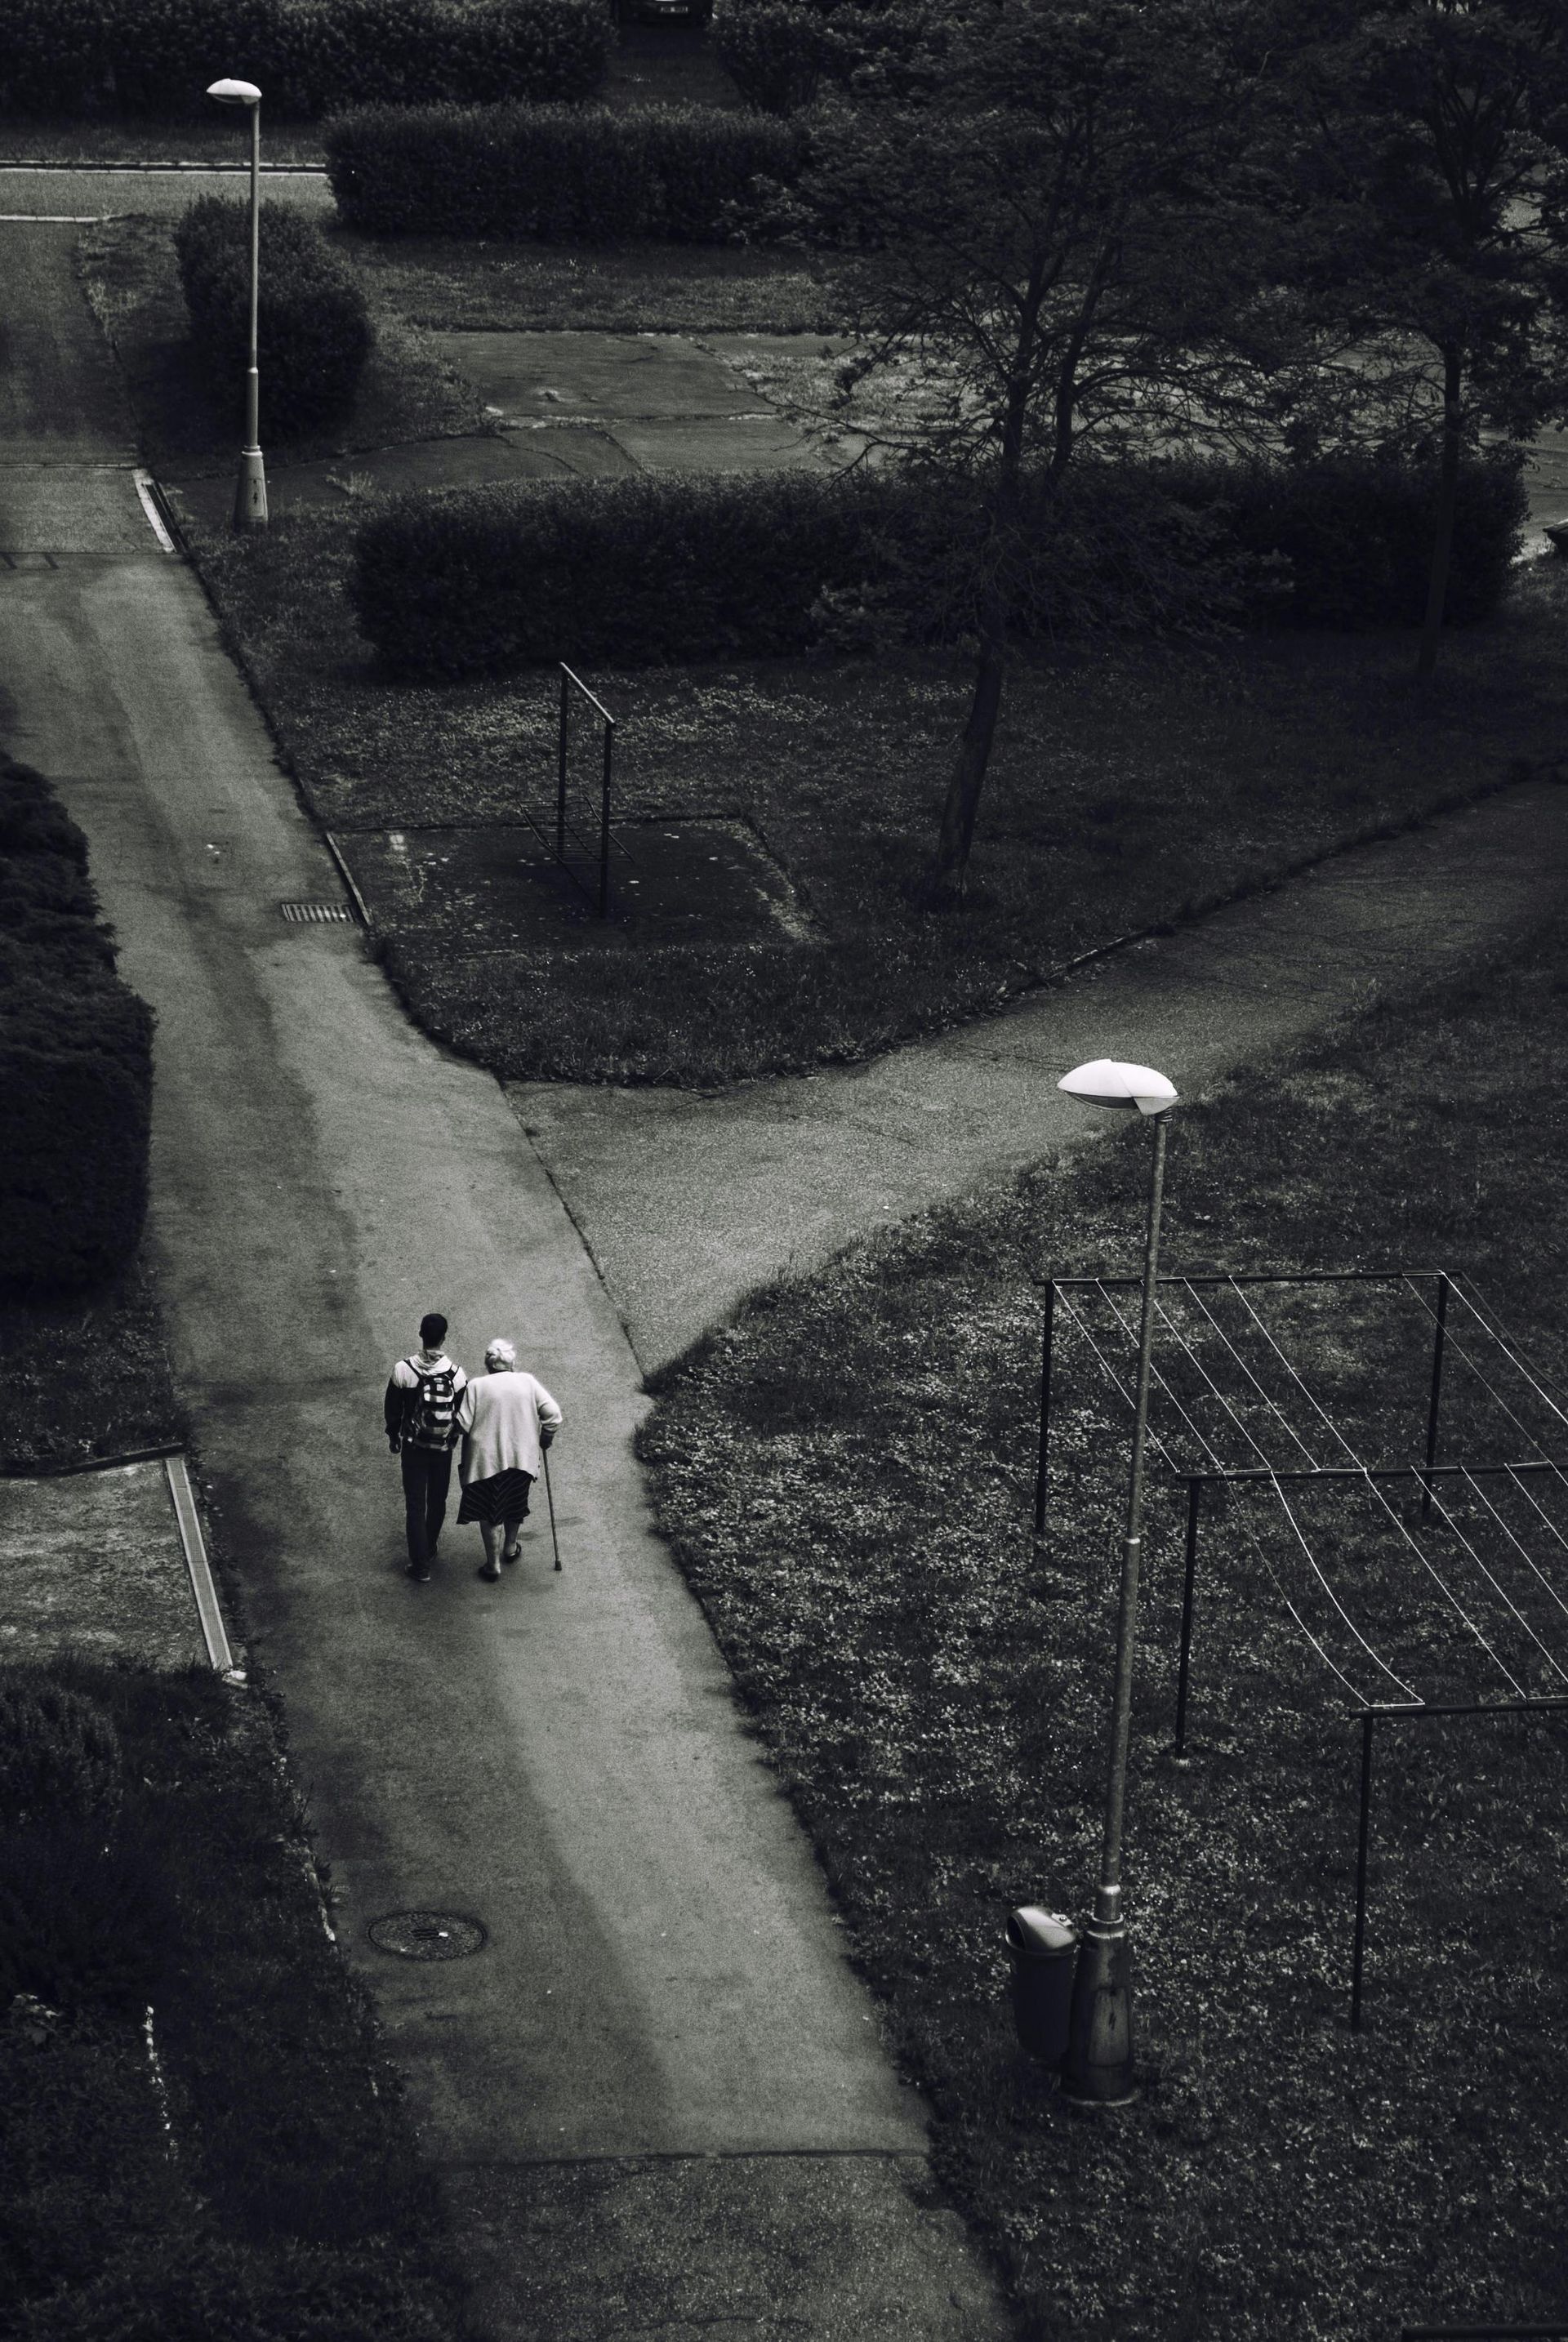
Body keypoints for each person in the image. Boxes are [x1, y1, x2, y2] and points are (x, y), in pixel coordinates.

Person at [455, 1339, 563, 1583]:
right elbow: (553, 1416)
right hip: (521, 1458)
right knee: (514, 1503)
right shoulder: (527, 1382)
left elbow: (462, 1425)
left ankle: (493, 1566)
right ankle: (511, 1548)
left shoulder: (476, 1386)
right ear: (512, 1363)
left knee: (489, 1513)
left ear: (488, 1363)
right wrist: (546, 1438)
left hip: (487, 1462)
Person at [385, 1313, 468, 1583]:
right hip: (442, 1448)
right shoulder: (456, 1375)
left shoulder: (403, 1370)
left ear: (421, 1334)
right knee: (437, 1500)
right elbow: (463, 1413)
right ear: (444, 1338)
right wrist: (453, 1438)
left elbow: (393, 1410)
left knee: (415, 1504)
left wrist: (394, 1436)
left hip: (414, 1446)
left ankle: (419, 1565)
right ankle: (430, 1546)